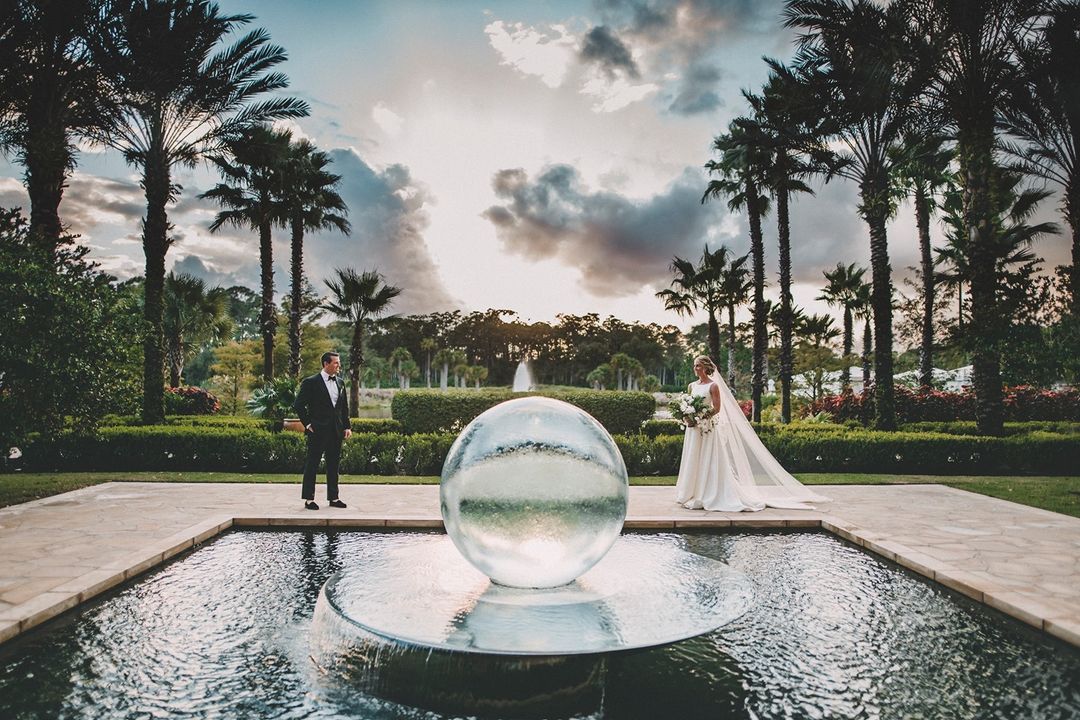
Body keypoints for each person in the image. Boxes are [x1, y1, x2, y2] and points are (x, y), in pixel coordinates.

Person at [674, 356, 828, 512]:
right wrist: (688, 417)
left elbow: (717, 408)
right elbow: (687, 404)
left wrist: (701, 416)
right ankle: (690, 492)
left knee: (708, 459)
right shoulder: (691, 386)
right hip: (693, 429)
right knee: (693, 457)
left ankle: (707, 493)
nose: (696, 368)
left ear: (706, 367)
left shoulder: (713, 386)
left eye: (698, 366)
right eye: (695, 366)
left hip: (707, 429)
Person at [293, 351, 352, 510]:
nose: (339, 366)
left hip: (336, 430)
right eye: (336, 363)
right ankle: (309, 499)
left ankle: (334, 497)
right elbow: (298, 405)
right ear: (326, 364)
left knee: (334, 465)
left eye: (339, 363)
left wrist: (347, 426)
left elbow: (343, 408)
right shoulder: (311, 382)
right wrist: (307, 424)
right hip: (317, 430)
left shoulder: (340, 382)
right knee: (312, 464)